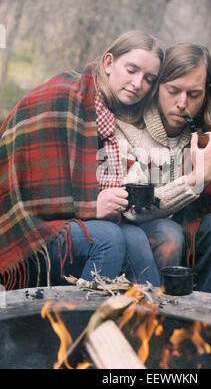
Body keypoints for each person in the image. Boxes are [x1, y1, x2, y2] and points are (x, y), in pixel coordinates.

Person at [0, 30, 165, 290]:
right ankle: (78, 327)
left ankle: (151, 323)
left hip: (71, 219)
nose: (137, 83)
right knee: (108, 238)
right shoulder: (64, 96)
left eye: (148, 79)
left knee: (135, 238)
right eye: (131, 70)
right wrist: (91, 207)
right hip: (26, 227)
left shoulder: (110, 111)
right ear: (109, 63)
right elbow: (31, 191)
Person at [115, 42, 211, 295]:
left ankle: (209, 317)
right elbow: (132, 208)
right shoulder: (128, 125)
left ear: (206, 92)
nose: (182, 103)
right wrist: (197, 179)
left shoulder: (208, 130)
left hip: (187, 224)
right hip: (138, 228)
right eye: (173, 91)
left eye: (193, 94)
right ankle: (161, 318)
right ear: (156, 87)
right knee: (168, 232)